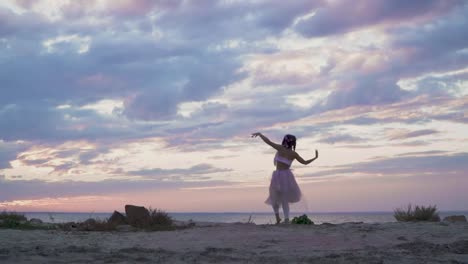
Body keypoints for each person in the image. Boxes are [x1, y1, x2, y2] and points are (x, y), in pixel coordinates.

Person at [251, 132, 318, 224]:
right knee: (274, 197)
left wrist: (315, 157)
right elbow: (269, 142)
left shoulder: (288, 152)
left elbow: (305, 162)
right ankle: (279, 218)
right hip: (280, 176)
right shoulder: (286, 150)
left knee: (283, 199)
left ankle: (286, 219)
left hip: (284, 177)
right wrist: (260, 134)